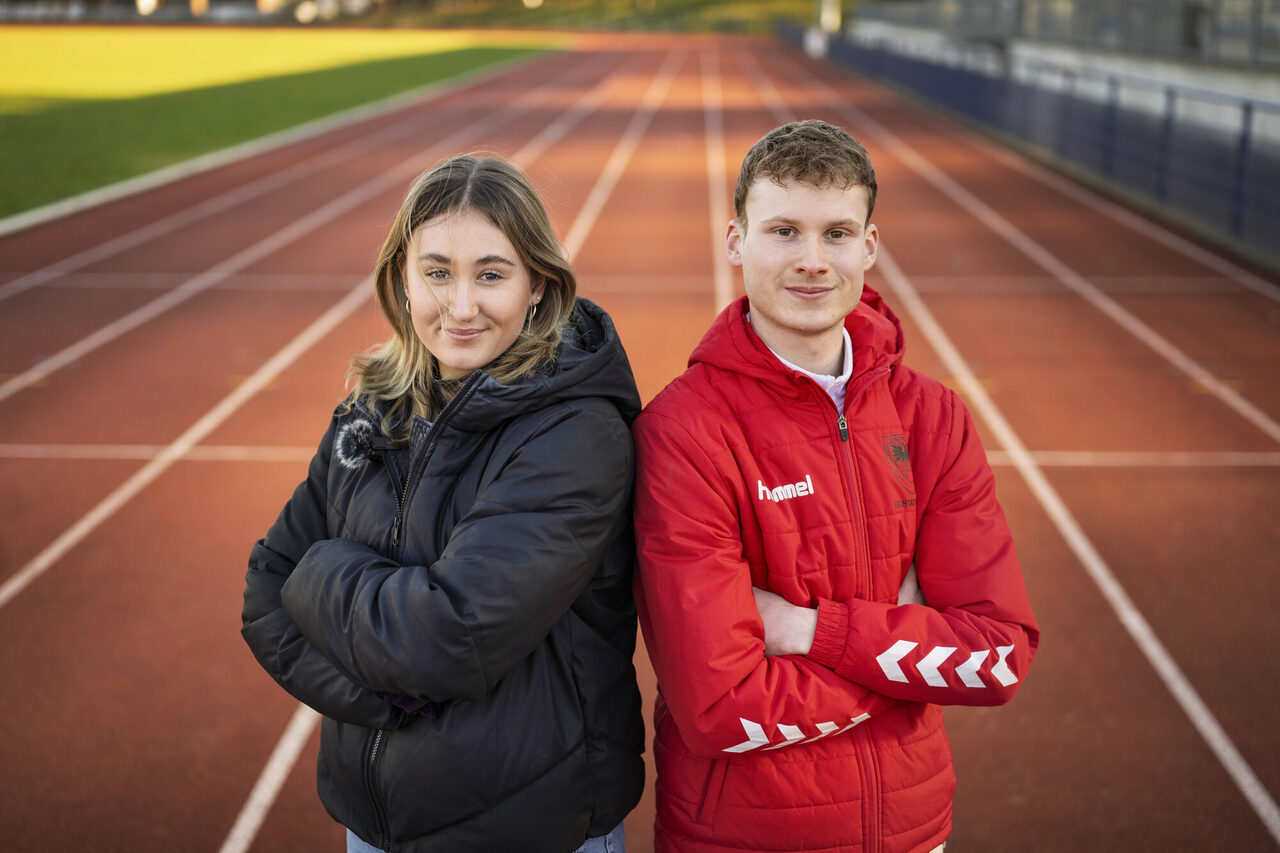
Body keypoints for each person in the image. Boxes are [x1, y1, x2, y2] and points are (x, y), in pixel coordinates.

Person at [632, 120, 1039, 852]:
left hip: (914, 833)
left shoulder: (932, 417)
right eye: (784, 230)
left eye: (837, 233)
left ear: (870, 247)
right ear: (736, 240)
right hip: (740, 839)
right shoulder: (684, 430)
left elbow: (999, 655)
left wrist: (810, 630)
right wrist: (910, 656)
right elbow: (721, 706)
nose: (812, 261)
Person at [241, 154, 645, 853]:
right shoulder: (373, 406)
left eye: (490, 274)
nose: (461, 306)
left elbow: (443, 640)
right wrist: (390, 698)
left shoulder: (577, 433)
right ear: (403, 277)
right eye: (437, 273)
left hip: (532, 829)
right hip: (373, 827)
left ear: (538, 286)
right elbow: (263, 598)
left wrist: (322, 572)